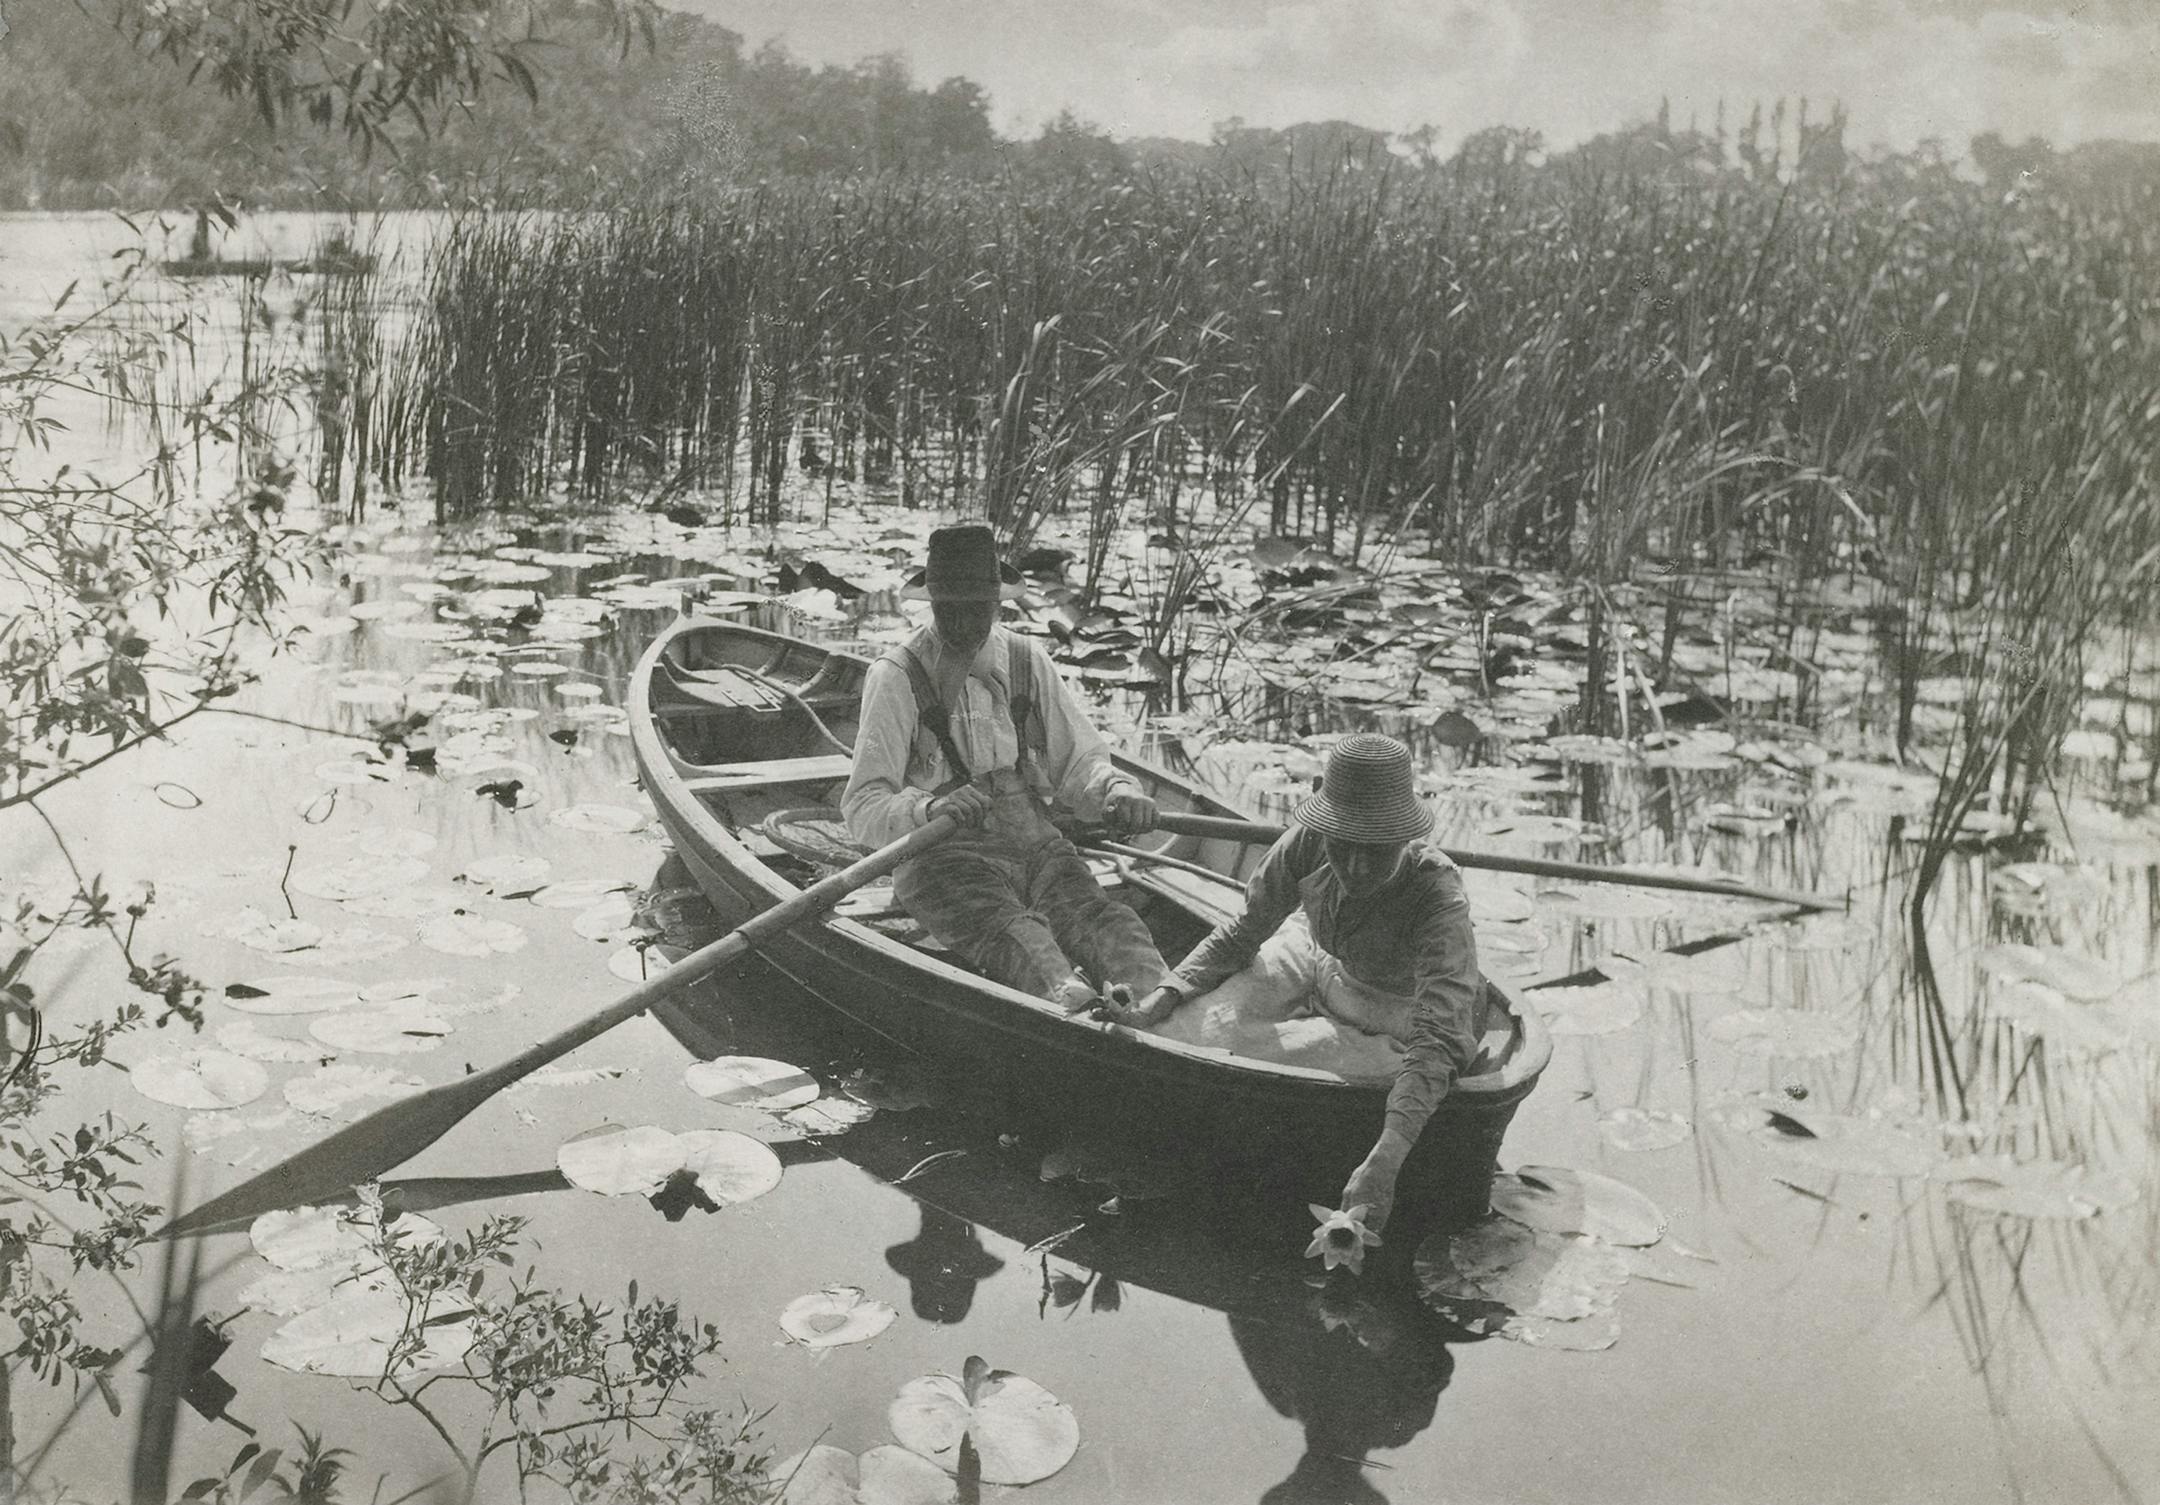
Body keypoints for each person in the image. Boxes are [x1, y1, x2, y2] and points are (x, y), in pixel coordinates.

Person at [1110, 733, 1493, 1235]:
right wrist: (1157, 1000)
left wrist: (1386, 1159)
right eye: (1343, 845)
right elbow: (1243, 931)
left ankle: (1356, 1055)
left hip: (1396, 1009)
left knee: (1287, 1063)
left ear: (1404, 837)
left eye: (1374, 850)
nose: (1354, 868)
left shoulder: (1437, 896)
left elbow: (1440, 1035)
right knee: (1185, 1032)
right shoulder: (1311, 838)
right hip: (1316, 955)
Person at [842, 522, 1172, 1011]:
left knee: (1109, 923)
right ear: (931, 602)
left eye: (977, 607)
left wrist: (1116, 789)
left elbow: (1079, 760)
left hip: (1036, 845)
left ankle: (1165, 1011)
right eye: (949, 607)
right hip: (944, 858)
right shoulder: (896, 675)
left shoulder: (1025, 658)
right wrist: (930, 808)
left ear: (999, 603)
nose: (963, 623)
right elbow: (863, 807)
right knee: (1021, 938)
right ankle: (1076, 1013)